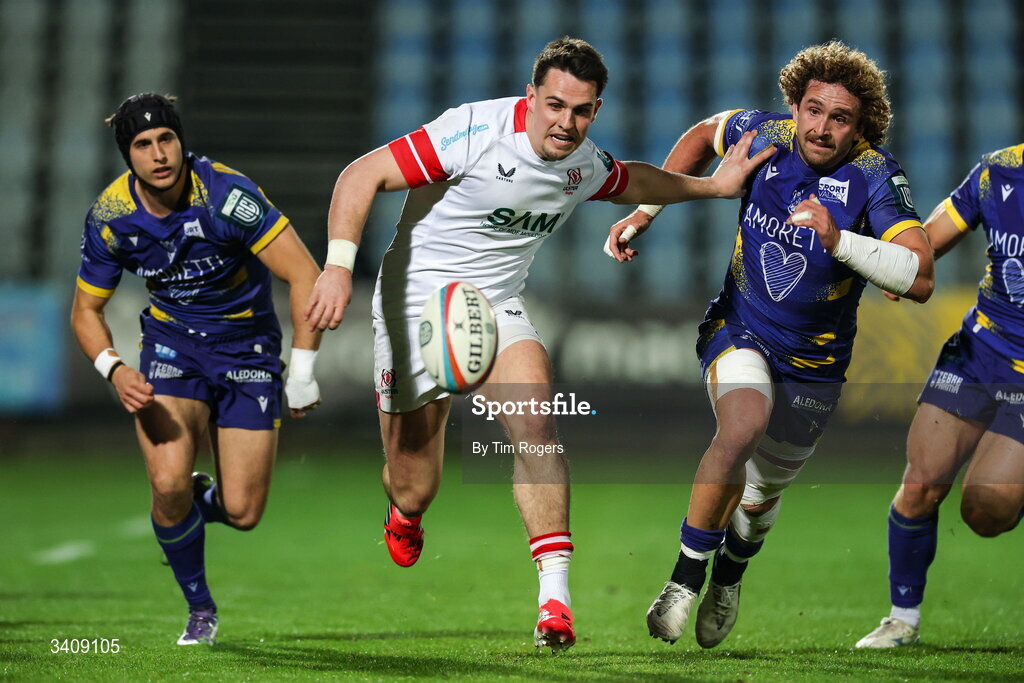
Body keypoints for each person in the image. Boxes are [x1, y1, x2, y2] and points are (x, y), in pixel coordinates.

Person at [304, 37, 773, 651]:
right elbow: (361, 175)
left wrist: (715, 187)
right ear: (531, 97)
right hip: (414, 301)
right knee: (414, 482)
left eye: (581, 111)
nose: (565, 122)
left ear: (595, 110)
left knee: (536, 425)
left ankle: (555, 600)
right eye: (554, 105)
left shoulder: (580, 163)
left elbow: (633, 180)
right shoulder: (472, 131)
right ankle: (406, 511)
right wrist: (339, 266)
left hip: (497, 305)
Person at [604, 41, 935, 648]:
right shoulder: (764, 133)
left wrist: (841, 241)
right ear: (795, 103)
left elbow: (920, 275)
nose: (822, 127)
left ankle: (729, 576)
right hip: (740, 326)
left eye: (840, 118)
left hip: (816, 364)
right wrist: (646, 214)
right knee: (740, 427)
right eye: (813, 109)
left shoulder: (876, 177)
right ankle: (683, 582)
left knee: (757, 502)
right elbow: (705, 134)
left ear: (861, 126)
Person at [70, 93, 323, 646]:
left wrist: (301, 369)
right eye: (142, 144)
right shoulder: (112, 218)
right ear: (127, 156)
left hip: (247, 347)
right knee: (166, 483)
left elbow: (305, 274)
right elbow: (85, 312)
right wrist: (114, 369)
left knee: (244, 511)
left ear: (181, 141)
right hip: (171, 348)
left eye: (166, 138)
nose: (159, 153)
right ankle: (200, 608)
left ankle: (197, 502)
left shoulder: (228, 195)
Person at [856, 144, 1024, 648]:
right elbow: (933, 235)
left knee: (985, 511)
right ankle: (902, 619)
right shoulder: (1000, 171)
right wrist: (902, 266)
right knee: (922, 482)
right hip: (979, 349)